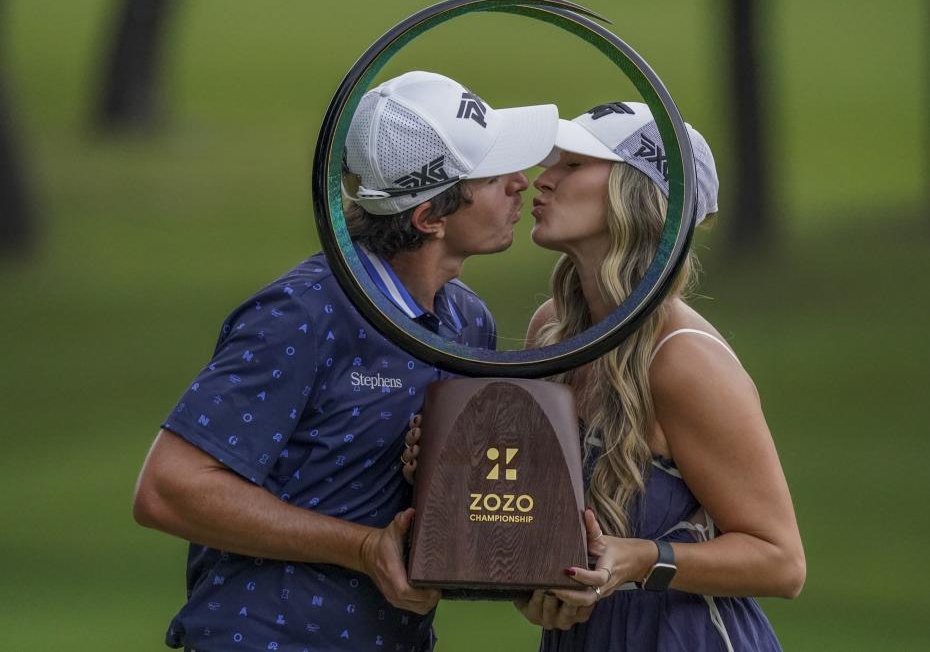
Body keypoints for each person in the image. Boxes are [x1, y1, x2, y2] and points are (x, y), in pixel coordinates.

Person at [132, 70, 558, 652]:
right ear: (429, 217)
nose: (521, 183)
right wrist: (360, 548)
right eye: (493, 175)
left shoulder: (468, 322)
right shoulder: (303, 311)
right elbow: (169, 489)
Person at [404, 102, 805, 650]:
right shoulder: (553, 330)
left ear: (634, 193)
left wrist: (641, 560)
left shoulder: (684, 359)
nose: (543, 182)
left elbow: (781, 562)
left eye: (572, 167)